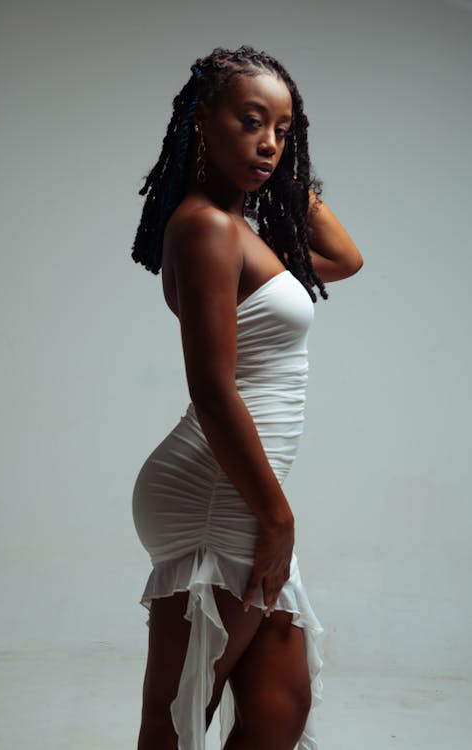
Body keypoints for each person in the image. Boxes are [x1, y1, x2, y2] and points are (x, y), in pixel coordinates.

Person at [130, 45, 363, 750]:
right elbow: (210, 386)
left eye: (285, 130)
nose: (269, 142)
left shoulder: (249, 234)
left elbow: (345, 259)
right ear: (203, 122)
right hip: (219, 492)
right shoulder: (203, 227)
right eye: (251, 122)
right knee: (180, 711)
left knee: (278, 704)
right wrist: (278, 516)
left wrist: (283, 171)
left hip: (246, 491)